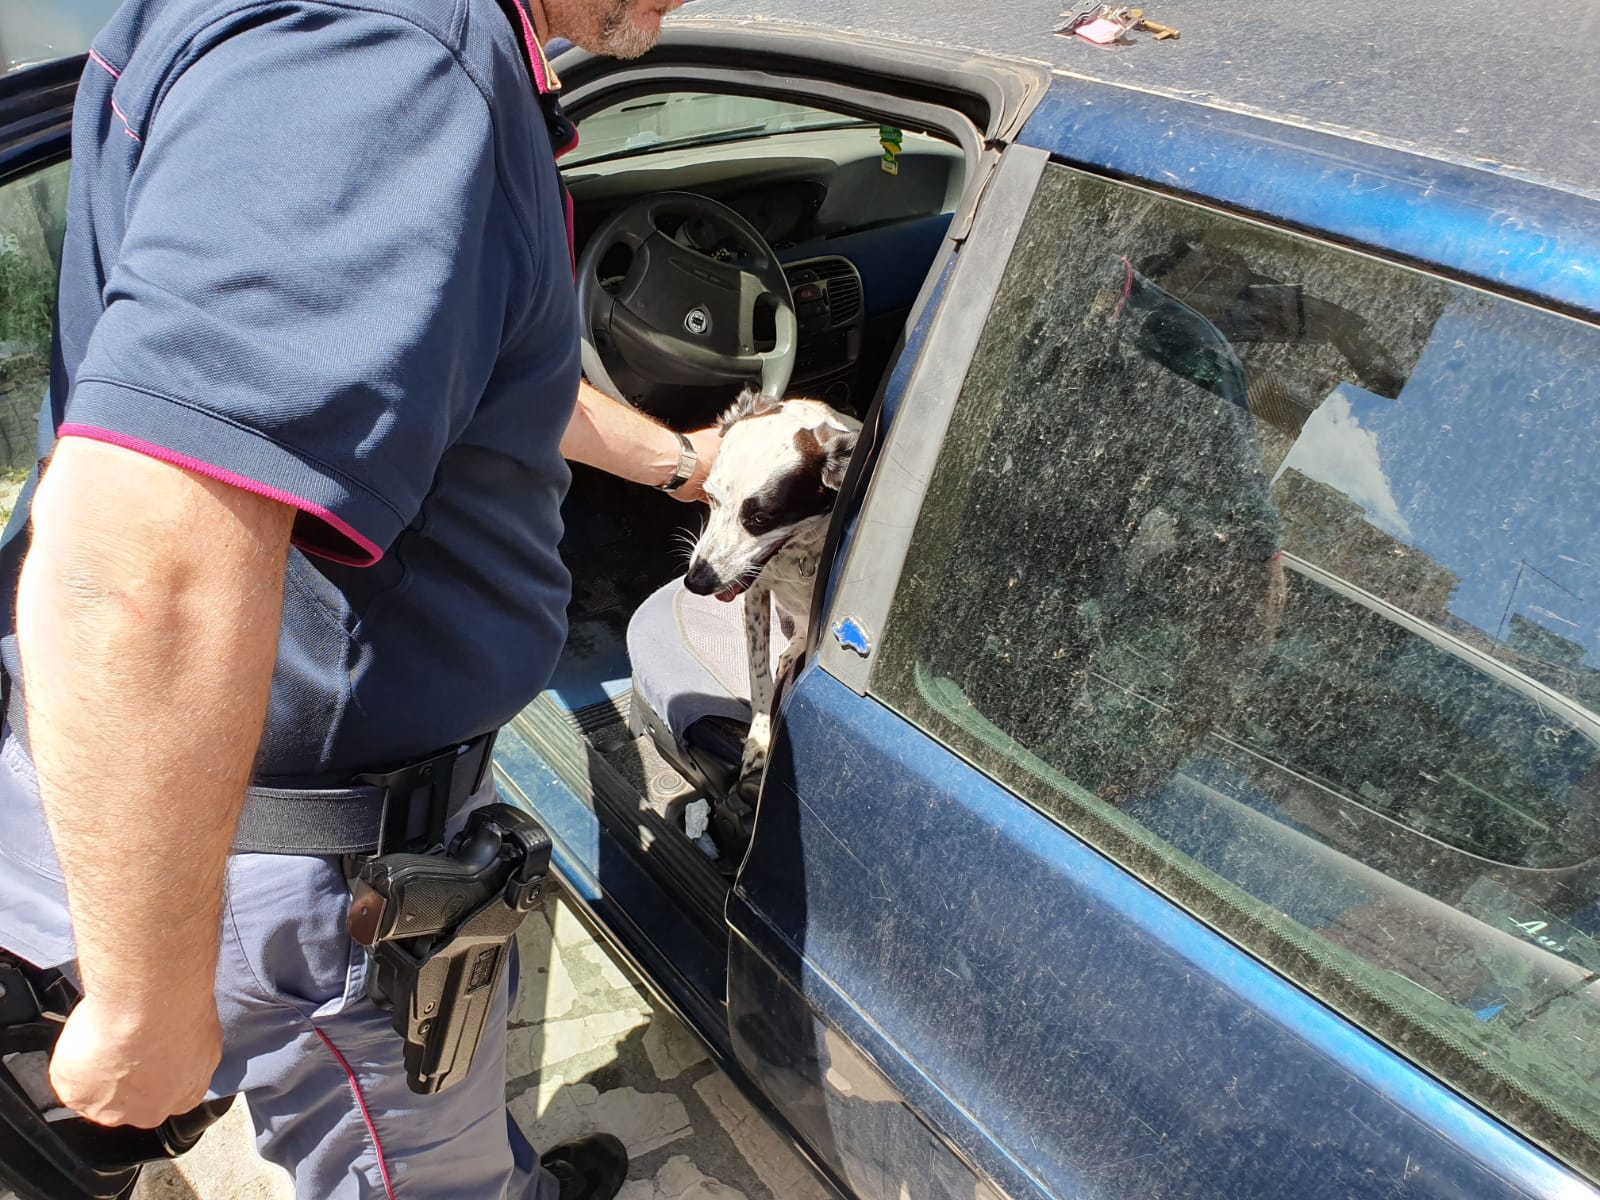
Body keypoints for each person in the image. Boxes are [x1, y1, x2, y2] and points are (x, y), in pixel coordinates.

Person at [0, 0, 716, 1196]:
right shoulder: (388, 66)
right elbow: (141, 560)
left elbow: (447, 358)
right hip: (297, 869)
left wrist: (685, 464)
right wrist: (144, 1000)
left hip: (216, 821)